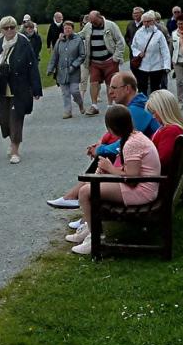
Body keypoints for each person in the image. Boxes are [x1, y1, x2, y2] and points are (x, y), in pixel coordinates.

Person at [47, 71, 159, 210]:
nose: (110, 92)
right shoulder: (135, 106)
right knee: (104, 157)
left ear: (127, 88)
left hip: (141, 176)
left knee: (105, 157)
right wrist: (101, 143)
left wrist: (100, 149)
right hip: (138, 164)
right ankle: (75, 198)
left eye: (113, 88)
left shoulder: (137, 110)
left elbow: (124, 141)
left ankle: (76, 198)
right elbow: (118, 135)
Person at [67, 104, 161, 256]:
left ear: (111, 129)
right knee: (91, 186)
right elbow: (131, 173)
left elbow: (132, 178)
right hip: (144, 186)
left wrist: (109, 168)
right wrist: (107, 170)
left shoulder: (132, 144)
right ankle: (90, 230)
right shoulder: (134, 137)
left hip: (142, 191)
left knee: (85, 192)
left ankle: (96, 238)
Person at [0, 16, 44, 164]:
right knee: (2, 118)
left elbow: (32, 66)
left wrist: (36, 88)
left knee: (16, 117)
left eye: (12, 27)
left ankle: (15, 150)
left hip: (20, 87)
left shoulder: (24, 43)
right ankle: (12, 140)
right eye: (7, 28)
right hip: (1, 87)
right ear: (2, 30)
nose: (10, 30)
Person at [78, 10, 126, 115]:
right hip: (94, 61)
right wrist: (69, 35)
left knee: (110, 83)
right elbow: (80, 35)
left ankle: (110, 105)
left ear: (99, 17)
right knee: (93, 83)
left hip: (109, 60)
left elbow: (120, 41)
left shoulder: (111, 25)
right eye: (91, 21)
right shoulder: (89, 26)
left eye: (94, 21)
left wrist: (116, 57)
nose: (93, 23)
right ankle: (94, 105)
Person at [47, 20, 85, 118]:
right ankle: (67, 111)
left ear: (73, 29)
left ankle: (80, 103)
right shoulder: (59, 41)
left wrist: (74, 65)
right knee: (65, 93)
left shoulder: (78, 40)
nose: (67, 30)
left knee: (74, 91)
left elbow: (82, 55)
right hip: (62, 71)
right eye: (65, 28)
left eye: (69, 28)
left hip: (73, 71)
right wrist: (50, 69)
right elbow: (54, 56)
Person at [131, 12, 171, 92]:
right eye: (144, 21)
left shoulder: (159, 34)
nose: (146, 23)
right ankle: (143, 103)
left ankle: (154, 103)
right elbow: (133, 46)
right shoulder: (139, 33)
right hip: (142, 65)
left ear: (153, 21)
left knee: (155, 88)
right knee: (142, 87)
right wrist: (138, 53)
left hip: (157, 66)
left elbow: (165, 51)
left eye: (148, 21)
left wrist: (166, 66)